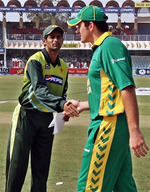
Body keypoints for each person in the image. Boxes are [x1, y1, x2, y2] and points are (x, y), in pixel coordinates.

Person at [67, 6, 149, 192]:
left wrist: (134, 130)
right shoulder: (101, 49)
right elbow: (110, 94)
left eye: (79, 25)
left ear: (91, 26)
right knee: (123, 186)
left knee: (89, 186)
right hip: (111, 123)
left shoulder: (109, 46)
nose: (76, 30)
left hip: (108, 125)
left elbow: (126, 87)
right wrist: (82, 105)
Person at [5, 25, 79, 192]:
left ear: (62, 40)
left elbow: (62, 92)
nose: (55, 40)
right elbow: (39, 91)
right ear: (44, 41)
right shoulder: (35, 61)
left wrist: (63, 110)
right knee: (17, 168)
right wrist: (61, 104)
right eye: (51, 37)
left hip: (47, 120)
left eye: (59, 37)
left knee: (41, 171)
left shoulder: (64, 67)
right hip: (27, 117)